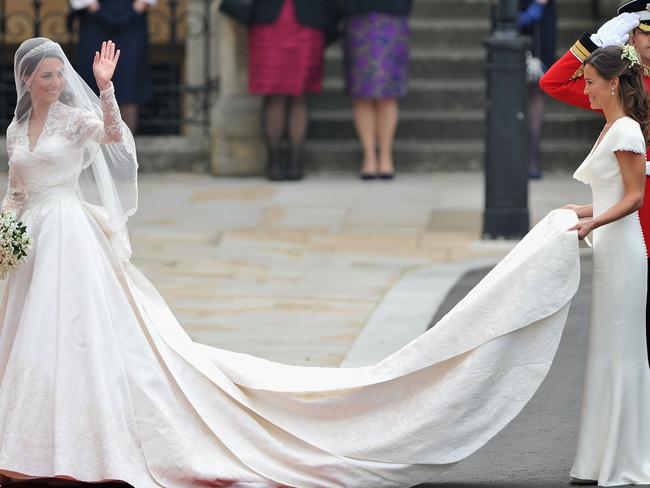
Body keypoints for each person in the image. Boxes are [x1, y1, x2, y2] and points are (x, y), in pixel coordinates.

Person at [0, 37, 585, 487]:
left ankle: (83, 437)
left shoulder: (78, 118)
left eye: (59, 75)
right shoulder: (16, 129)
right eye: (46, 76)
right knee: (29, 333)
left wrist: (104, 86)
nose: (54, 82)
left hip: (74, 236)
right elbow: (16, 190)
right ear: (28, 80)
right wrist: (7, 232)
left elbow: (112, 137)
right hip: (32, 240)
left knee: (78, 333)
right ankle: (27, 435)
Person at [539, 0, 650, 369]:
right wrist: (593, 42)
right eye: (644, 31)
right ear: (631, 35)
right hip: (635, 215)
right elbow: (553, 82)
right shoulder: (623, 89)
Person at [563, 45, 650, 486]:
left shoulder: (627, 131)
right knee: (605, 349)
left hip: (625, 252)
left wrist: (592, 220)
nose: (586, 90)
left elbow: (634, 197)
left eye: (591, 82)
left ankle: (627, 460)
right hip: (609, 251)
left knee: (624, 352)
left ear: (613, 82)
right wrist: (577, 211)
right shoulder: (611, 128)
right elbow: (609, 194)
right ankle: (599, 459)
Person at [247, 0, 338, 182]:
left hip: (306, 22)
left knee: (298, 93)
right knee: (276, 93)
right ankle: (276, 161)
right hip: (271, 22)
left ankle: (293, 162)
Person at [341, 0, 413, 180]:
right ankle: (369, 156)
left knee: (388, 90)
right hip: (358, 17)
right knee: (361, 91)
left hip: (392, 16)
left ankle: (386, 155)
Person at [70, 0, 155, 133]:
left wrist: (137, 8)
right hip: (94, 23)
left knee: (129, 85)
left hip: (131, 25)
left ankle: (125, 147)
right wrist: (93, 8)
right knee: (92, 82)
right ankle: (94, 147)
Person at [518, 0, 556, 179]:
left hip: (540, 27)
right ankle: (520, 159)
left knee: (535, 96)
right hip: (510, 18)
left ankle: (531, 160)